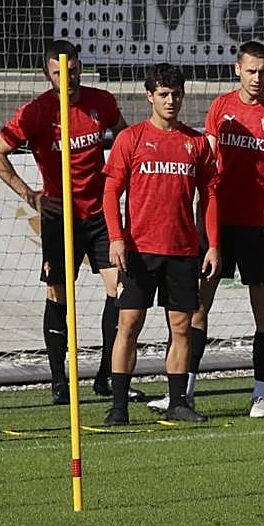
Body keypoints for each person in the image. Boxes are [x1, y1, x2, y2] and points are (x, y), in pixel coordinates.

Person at [148, 42, 264, 418]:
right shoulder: (221, 108)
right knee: (197, 308)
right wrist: (200, 223)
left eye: (263, 71)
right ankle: (183, 392)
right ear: (237, 69)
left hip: (260, 227)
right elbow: (206, 169)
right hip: (218, 227)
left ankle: (261, 395)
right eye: (251, 71)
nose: (257, 78)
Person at [0, 40, 135, 404]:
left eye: (72, 71)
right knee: (57, 293)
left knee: (120, 290)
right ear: (47, 74)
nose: (67, 78)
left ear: (80, 69)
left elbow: (124, 136)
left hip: (100, 214)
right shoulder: (36, 112)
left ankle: (108, 376)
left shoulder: (101, 101)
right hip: (60, 217)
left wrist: (116, 179)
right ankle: (59, 381)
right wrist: (30, 195)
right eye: (59, 73)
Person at [101, 63, 220, 425]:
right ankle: (119, 407)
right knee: (129, 324)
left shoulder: (196, 143)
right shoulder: (131, 138)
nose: (171, 101)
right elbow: (111, 192)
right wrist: (117, 238)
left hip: (183, 252)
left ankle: (178, 402)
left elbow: (210, 196)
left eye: (177, 94)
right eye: (164, 94)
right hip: (139, 251)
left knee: (181, 327)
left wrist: (213, 244)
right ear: (149, 96)